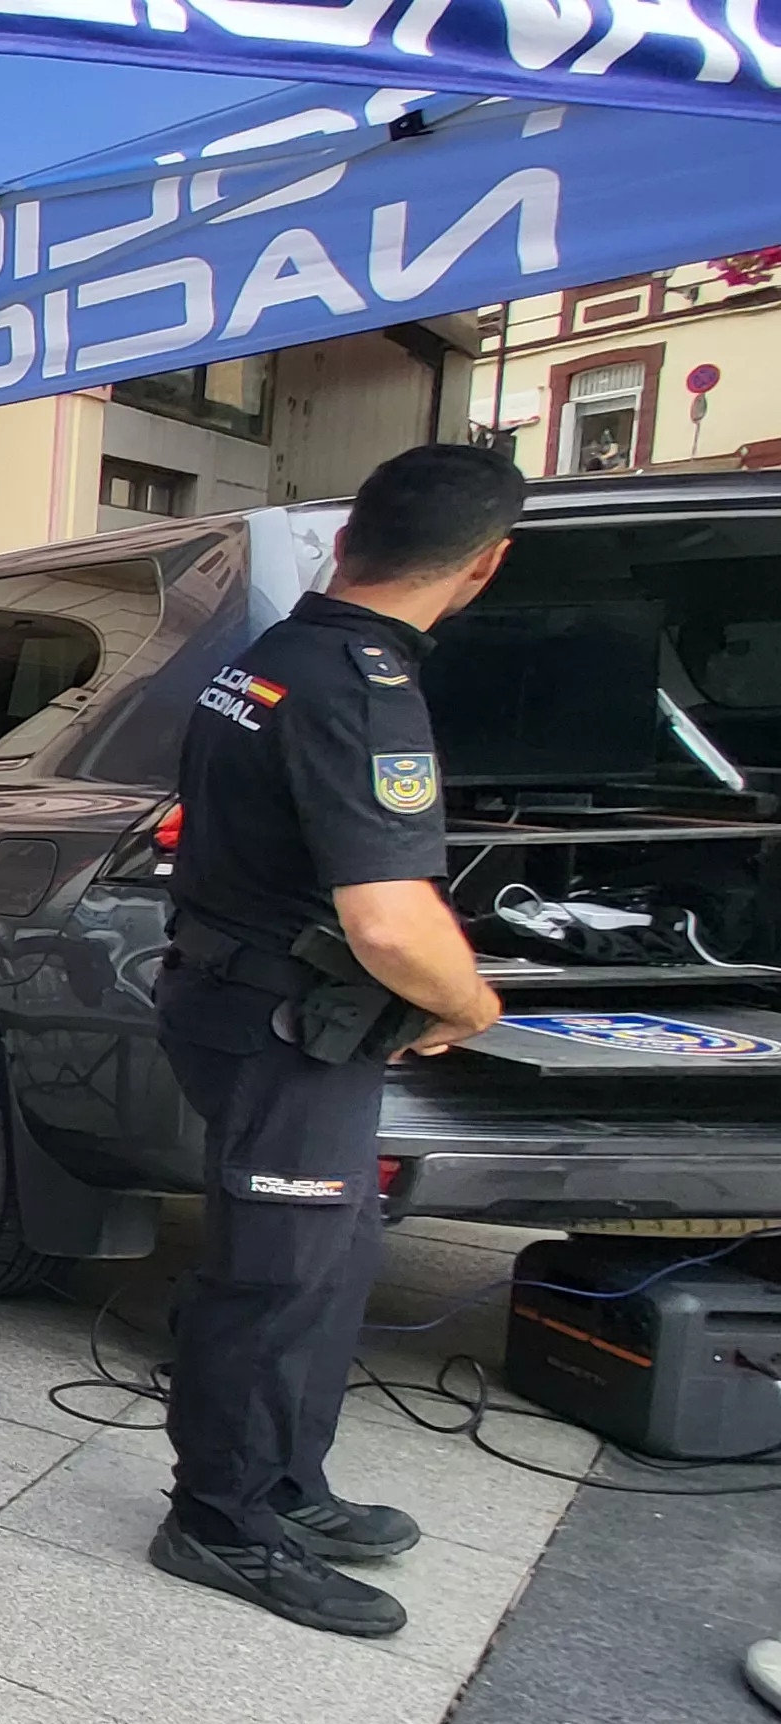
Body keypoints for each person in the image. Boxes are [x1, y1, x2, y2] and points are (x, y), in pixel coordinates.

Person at [148, 444, 519, 1637]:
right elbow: (389, 921)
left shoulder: (271, 654)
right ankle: (221, 1518)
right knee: (273, 1277)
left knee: (330, 1259)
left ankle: (288, 1485)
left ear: (352, 534)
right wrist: (466, 1007)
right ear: (483, 566)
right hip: (281, 1027)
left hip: (257, 1006)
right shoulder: (362, 688)